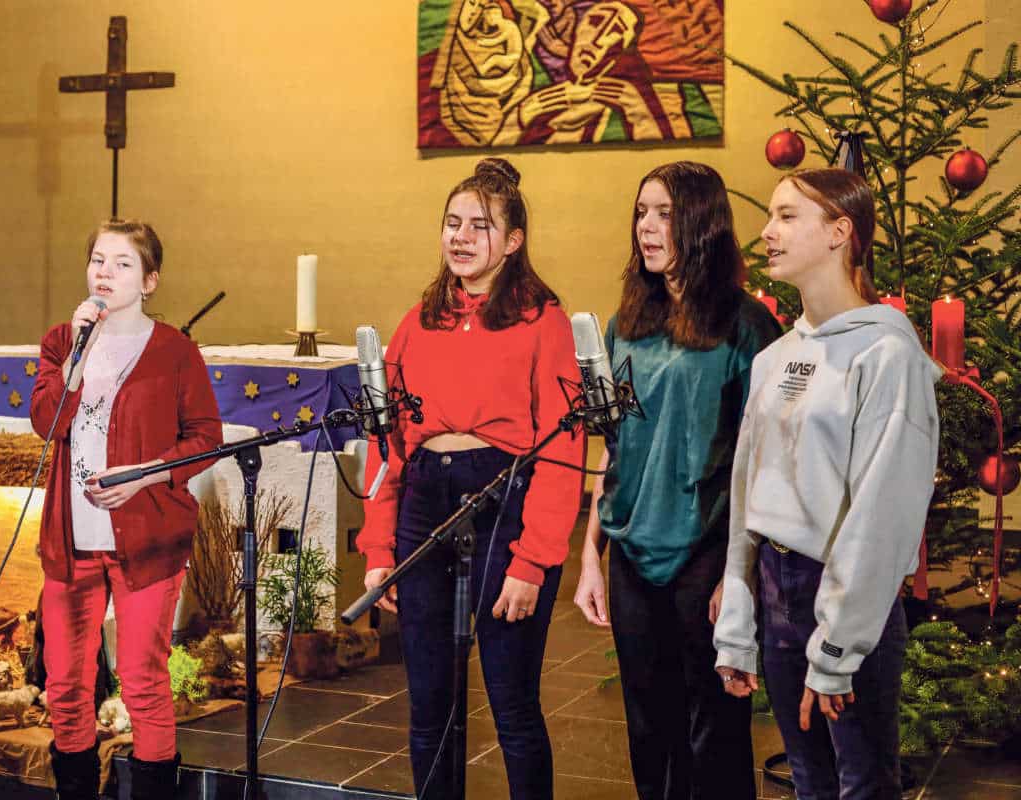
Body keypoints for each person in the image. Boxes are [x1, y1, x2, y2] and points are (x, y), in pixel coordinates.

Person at [358, 158, 584, 800]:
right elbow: (386, 443)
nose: (459, 236)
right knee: (430, 707)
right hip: (427, 499)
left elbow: (565, 445)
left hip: (502, 496)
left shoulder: (543, 321)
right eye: (451, 223)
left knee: (512, 704)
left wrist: (533, 561)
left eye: (478, 226)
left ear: (513, 240)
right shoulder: (418, 320)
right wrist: (380, 551)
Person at [714, 168, 940, 799]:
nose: (766, 232)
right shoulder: (774, 358)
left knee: (861, 784)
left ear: (840, 231)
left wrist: (838, 647)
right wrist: (738, 612)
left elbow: (882, 513)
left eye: (788, 216)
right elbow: (747, 492)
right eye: (770, 217)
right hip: (777, 591)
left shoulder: (886, 354)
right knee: (809, 780)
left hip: (843, 595)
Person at [574, 162, 779, 799]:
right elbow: (614, 447)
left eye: (663, 213)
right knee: (647, 726)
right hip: (633, 551)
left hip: (706, 551)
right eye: (641, 212)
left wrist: (737, 573)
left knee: (713, 728)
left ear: (700, 222)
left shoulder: (745, 328)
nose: (647, 227)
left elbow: (764, 460)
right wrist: (589, 556)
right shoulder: (626, 324)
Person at [29, 219, 224, 800]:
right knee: (65, 682)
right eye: (97, 260)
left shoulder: (173, 351)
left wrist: (144, 477)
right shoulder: (64, 340)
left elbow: (206, 436)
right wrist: (77, 357)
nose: (105, 273)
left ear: (149, 281)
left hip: (147, 541)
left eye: (121, 264)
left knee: (142, 680)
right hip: (71, 543)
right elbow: (47, 421)